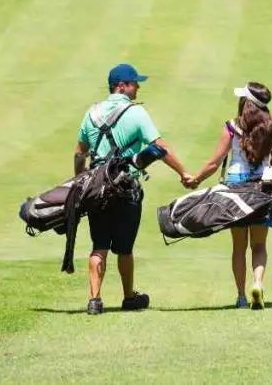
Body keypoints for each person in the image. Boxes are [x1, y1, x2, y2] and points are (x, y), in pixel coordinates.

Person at [75, 63, 192, 315]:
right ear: (121, 86)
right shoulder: (136, 113)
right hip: (127, 188)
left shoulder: (91, 113)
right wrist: (183, 173)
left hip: (97, 190)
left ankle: (94, 300)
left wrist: (80, 181)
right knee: (125, 248)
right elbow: (160, 147)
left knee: (99, 244)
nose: (138, 86)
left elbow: (79, 154)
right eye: (134, 82)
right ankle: (128, 297)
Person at [187, 82, 272, 310]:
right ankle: (258, 284)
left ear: (246, 103)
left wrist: (196, 180)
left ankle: (241, 297)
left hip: (235, 188)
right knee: (259, 246)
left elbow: (214, 162)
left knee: (238, 247)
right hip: (263, 188)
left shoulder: (232, 126)